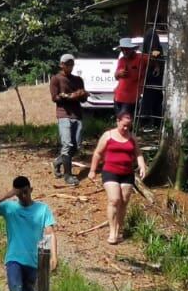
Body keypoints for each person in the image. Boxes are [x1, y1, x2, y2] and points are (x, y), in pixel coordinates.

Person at [0, 176, 57, 291]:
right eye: (20, 194)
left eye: (25, 192)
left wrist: (53, 257)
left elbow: (50, 233)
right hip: (14, 259)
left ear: (31, 190)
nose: (23, 196)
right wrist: (7, 195)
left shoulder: (43, 209)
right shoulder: (9, 208)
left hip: (34, 261)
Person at [88, 111, 148, 245]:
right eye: (123, 125)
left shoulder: (132, 137)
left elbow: (138, 153)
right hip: (110, 171)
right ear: (118, 121)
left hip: (127, 173)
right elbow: (97, 153)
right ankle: (112, 231)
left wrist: (142, 166)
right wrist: (92, 170)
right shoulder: (108, 135)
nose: (126, 128)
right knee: (114, 200)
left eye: (128, 126)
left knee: (124, 201)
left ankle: (119, 229)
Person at [49, 53, 87, 185]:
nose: (69, 66)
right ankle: (68, 175)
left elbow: (83, 99)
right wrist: (69, 96)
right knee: (67, 144)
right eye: (67, 64)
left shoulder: (78, 80)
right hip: (64, 114)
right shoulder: (56, 79)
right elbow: (55, 97)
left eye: (71, 64)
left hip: (77, 114)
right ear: (61, 65)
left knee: (76, 146)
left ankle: (57, 162)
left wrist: (81, 95)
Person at [113, 36, 150, 118]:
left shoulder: (142, 58)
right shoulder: (122, 60)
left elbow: (154, 60)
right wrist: (118, 73)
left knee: (125, 119)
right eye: (122, 49)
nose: (124, 51)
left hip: (131, 97)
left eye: (126, 49)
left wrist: (157, 67)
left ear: (132, 49)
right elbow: (116, 76)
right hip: (118, 96)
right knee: (120, 120)